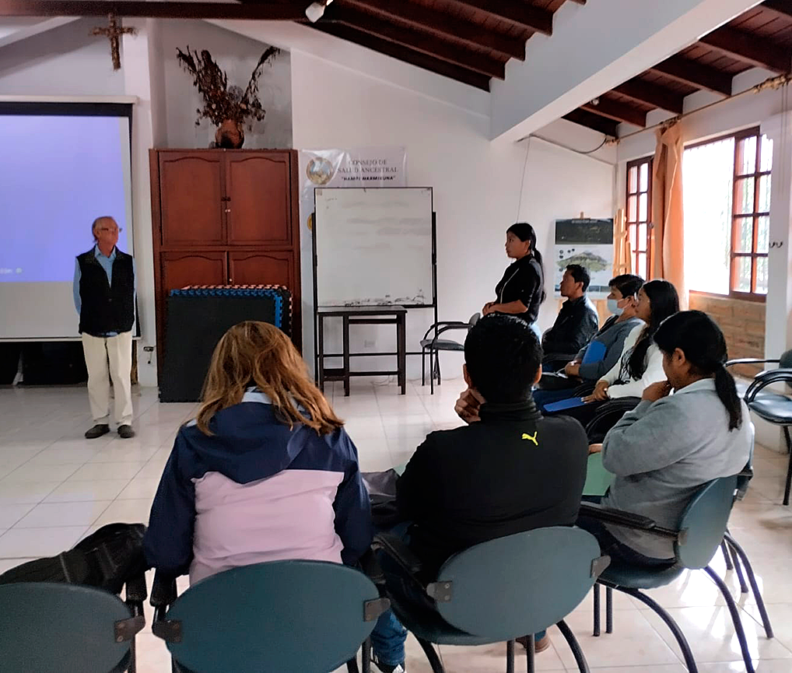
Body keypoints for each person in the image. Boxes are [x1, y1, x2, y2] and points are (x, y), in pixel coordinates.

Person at [371, 314, 589, 672]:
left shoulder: (442, 450)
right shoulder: (572, 435)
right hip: (541, 591)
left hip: (451, 602)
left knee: (379, 540)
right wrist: (483, 429)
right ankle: (532, 631)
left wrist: (478, 432)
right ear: (537, 374)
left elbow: (404, 507)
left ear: (468, 376)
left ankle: (390, 660)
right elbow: (512, 455)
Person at [143, 321, 372, 585]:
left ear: (221, 371)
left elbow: (167, 552)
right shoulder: (327, 434)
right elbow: (357, 538)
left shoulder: (195, 439)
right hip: (317, 607)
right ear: (290, 367)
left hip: (219, 612)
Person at [581, 311, 753, 564]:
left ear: (680, 357)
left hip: (636, 536)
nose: (663, 364)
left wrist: (645, 404)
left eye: (664, 356)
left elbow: (613, 457)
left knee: (552, 511)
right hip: (693, 536)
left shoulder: (682, 410)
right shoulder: (737, 406)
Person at [548, 279, 679, 431]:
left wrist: (608, 391)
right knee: (551, 410)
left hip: (622, 407)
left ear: (656, 303)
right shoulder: (638, 331)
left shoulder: (663, 344)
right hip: (609, 395)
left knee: (560, 422)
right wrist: (604, 381)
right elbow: (621, 364)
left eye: (641, 298)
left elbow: (645, 387)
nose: (635, 303)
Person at [533, 274, 644, 411]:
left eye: (613, 295)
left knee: (542, 404)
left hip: (591, 389)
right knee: (535, 396)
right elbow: (590, 344)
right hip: (578, 379)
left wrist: (579, 370)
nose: (608, 298)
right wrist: (577, 360)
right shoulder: (613, 320)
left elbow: (608, 368)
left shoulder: (631, 328)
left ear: (630, 300)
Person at [73, 216, 136, 439]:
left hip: (121, 327)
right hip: (92, 326)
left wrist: (125, 317)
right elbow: (77, 297)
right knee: (97, 376)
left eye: (116, 229)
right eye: (108, 229)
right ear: (97, 233)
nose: (114, 233)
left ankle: (124, 421)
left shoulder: (127, 261)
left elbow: (132, 292)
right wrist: (93, 316)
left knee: (120, 375)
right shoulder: (84, 261)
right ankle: (100, 421)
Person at [483, 223, 545, 336]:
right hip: (508, 326)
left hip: (520, 333)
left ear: (526, 243)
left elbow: (522, 306)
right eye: (507, 240)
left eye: (511, 240)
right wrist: (493, 305)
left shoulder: (530, 268)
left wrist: (496, 308)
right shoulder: (515, 267)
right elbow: (507, 297)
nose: (506, 245)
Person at [541, 264, 599, 370]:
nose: (561, 283)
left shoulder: (585, 311)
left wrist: (548, 346)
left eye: (566, 279)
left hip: (564, 362)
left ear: (579, 285)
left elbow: (576, 346)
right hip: (553, 356)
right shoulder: (569, 306)